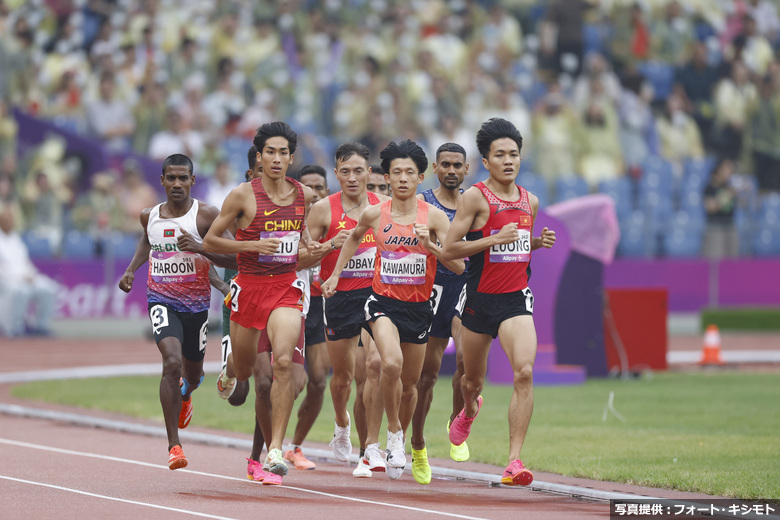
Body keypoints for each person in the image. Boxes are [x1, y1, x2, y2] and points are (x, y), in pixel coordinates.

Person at [321, 139, 465, 480]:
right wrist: (335, 275)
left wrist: (430, 245)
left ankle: (394, 438)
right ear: (387, 177)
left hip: (417, 308)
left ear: (420, 178)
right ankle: (391, 435)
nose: (402, 179)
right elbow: (354, 237)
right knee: (389, 363)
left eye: (409, 173)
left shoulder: (434, 217)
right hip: (380, 302)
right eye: (396, 173)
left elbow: (459, 266)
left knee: (410, 384)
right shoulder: (375, 213)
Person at [442, 118, 556, 486]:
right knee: (471, 382)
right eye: (500, 155)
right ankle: (467, 415)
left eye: (514, 154)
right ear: (486, 161)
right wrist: (493, 240)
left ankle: (514, 461)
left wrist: (536, 242)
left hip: (514, 301)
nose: (509, 161)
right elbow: (449, 249)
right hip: (478, 301)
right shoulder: (474, 197)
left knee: (524, 372)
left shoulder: (530, 201)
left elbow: (517, 248)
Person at [202, 121, 318, 479]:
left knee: (283, 362)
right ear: (259, 156)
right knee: (244, 369)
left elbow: (303, 236)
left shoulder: (303, 195)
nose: (277, 158)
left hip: (284, 286)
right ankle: (230, 366)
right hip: (249, 287)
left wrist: (311, 246)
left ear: (291, 157)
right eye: (271, 152)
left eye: (284, 152)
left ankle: (275, 450)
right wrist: (251, 244)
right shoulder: (242, 195)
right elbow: (210, 241)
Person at [118, 153, 234, 470]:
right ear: (162, 181)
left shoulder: (206, 215)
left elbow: (235, 258)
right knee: (171, 362)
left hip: (196, 306)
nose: (178, 183)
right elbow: (147, 239)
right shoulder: (149, 215)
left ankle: (186, 393)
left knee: (192, 376)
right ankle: (174, 446)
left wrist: (200, 248)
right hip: (161, 299)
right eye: (171, 178)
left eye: (184, 178)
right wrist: (131, 270)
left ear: (193, 181)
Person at [300, 142, 389, 478]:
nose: (352, 178)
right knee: (343, 378)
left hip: (377, 296)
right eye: (345, 172)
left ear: (369, 172)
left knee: (377, 363)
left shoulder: (385, 207)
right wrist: (327, 247)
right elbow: (300, 258)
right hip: (338, 297)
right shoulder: (323, 210)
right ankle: (341, 424)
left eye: (359, 171)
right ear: (336, 174)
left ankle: (371, 447)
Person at [409, 142, 470, 485]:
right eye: (444, 164)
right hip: (432, 289)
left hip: (464, 286)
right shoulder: (424, 205)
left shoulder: (473, 203)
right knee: (428, 375)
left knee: (466, 361)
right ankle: (418, 444)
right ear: (435, 168)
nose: (450, 170)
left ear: (465, 169)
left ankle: (457, 419)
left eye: (456, 165)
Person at [283, 164, 331, 470]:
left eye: (321, 188)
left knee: (317, 381)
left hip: (321, 305)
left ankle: (294, 447)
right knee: (289, 380)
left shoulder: (335, 218)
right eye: (309, 188)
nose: (315, 194)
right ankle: (273, 443)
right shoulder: (288, 218)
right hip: (290, 301)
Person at [0, 206, 58, 337]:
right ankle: (15, 327)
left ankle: (41, 326)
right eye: (6, 220)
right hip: (7, 280)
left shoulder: (15, 238)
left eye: (11, 220)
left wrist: (31, 274)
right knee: (22, 291)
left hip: (25, 277)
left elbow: (25, 262)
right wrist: (20, 277)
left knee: (49, 288)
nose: (10, 222)